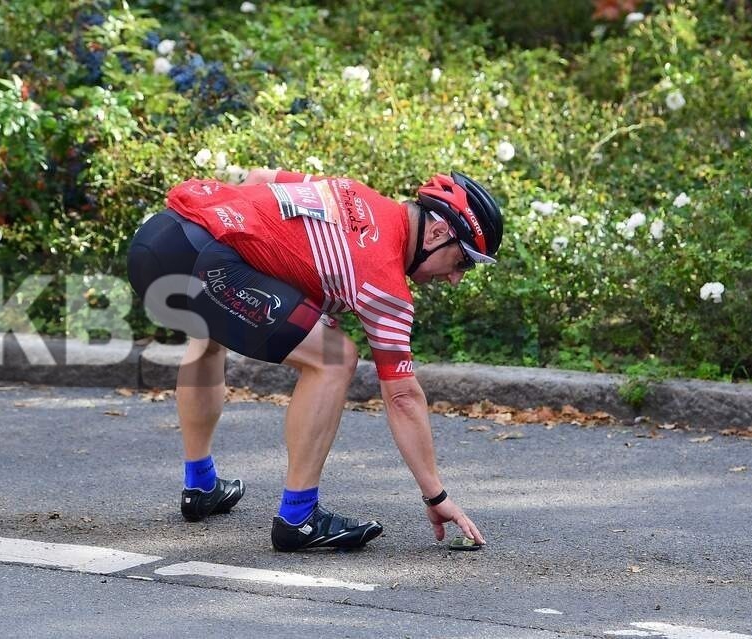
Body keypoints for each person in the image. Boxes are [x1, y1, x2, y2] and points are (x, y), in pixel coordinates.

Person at [127, 167, 503, 552]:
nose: (456, 278)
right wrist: (436, 496)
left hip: (161, 237)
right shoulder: (385, 284)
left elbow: (260, 180)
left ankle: (201, 485)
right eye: (462, 262)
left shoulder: (353, 191)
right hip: (205, 260)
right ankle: (298, 517)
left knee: (209, 334)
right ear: (438, 233)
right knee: (335, 357)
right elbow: (403, 397)